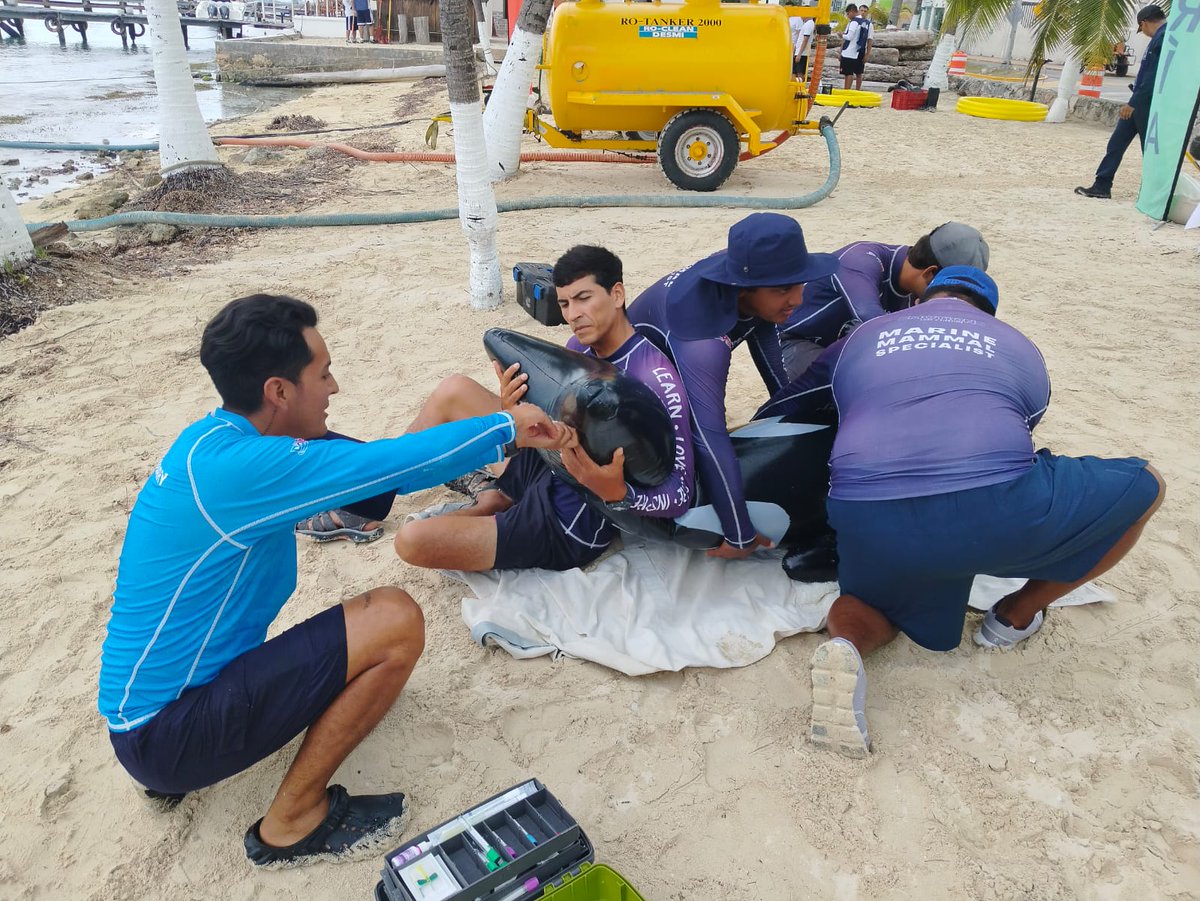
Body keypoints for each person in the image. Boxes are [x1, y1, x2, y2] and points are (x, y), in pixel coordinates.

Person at [98, 294, 574, 866]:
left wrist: (483, 430)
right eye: (323, 374)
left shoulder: (214, 442)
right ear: (278, 391)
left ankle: (185, 772)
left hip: (149, 717)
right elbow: (393, 467)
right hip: (167, 735)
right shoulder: (243, 471)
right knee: (393, 619)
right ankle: (291, 821)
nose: (335, 387)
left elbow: (374, 479)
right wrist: (506, 427)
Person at [756, 267, 1165, 759]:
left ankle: (847, 646)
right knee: (1148, 485)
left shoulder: (866, 334)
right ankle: (1013, 618)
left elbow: (794, 404)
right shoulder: (1016, 343)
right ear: (988, 313)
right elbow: (1022, 427)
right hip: (989, 511)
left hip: (867, 512)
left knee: (873, 603)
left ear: (921, 301)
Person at [394, 245, 695, 573]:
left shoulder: (653, 375)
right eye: (564, 304)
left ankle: (496, 501)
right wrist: (513, 412)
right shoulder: (577, 347)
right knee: (454, 390)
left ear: (617, 294)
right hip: (544, 461)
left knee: (411, 540)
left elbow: (680, 492)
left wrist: (619, 493)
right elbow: (552, 419)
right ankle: (376, 492)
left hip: (571, 517)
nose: (573, 315)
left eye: (583, 298)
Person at [625, 212, 838, 559]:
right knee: (702, 444)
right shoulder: (703, 343)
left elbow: (766, 344)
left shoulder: (747, 277)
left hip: (674, 357)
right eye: (784, 289)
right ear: (744, 288)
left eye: (799, 284)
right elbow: (708, 436)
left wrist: (793, 414)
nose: (798, 299)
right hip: (634, 395)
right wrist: (739, 535)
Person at [779, 222, 989, 378]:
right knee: (857, 382)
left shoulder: (918, 287)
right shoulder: (861, 259)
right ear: (929, 273)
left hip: (843, 347)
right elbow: (872, 321)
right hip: (794, 341)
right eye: (949, 292)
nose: (948, 301)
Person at [1074, 4, 1167, 200]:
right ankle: (1102, 185)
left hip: (1146, 103)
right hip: (1138, 100)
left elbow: (1152, 77)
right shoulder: (1161, 37)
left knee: (1149, 150)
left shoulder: (1162, 38)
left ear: (1144, 23)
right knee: (1116, 143)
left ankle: (1155, 192)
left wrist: (1133, 103)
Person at [839, 4, 870, 91]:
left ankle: (847, 91)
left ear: (852, 12)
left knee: (849, 73)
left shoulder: (854, 22)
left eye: (848, 13)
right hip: (855, 51)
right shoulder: (863, 22)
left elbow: (849, 36)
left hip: (849, 51)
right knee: (850, 72)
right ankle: (848, 90)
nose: (847, 16)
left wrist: (841, 35)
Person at [790, 9, 816, 82]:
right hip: (799, 51)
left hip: (802, 53)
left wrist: (799, 54)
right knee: (795, 71)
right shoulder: (806, 24)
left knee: (800, 72)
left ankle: (800, 86)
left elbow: (805, 39)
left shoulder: (809, 24)